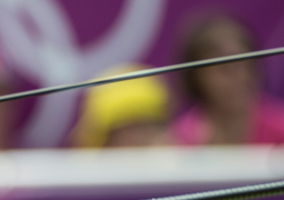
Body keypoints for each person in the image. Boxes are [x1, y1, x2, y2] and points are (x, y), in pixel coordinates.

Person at [172, 13, 284, 145]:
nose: (243, 77)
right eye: (226, 70)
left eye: (248, 64)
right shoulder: (180, 140)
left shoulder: (280, 126)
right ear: (198, 77)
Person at [70, 65, 172, 148]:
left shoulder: (175, 163)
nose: (137, 138)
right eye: (126, 128)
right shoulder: (85, 168)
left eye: (145, 126)